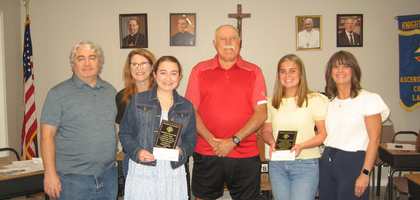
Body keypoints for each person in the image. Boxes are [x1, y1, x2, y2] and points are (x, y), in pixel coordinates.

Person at [185, 24, 267, 200]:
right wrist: (212, 141)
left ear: (240, 42)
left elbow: (261, 113)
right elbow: (191, 111)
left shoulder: (254, 71)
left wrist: (233, 140)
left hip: (245, 153)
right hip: (207, 152)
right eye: (223, 38)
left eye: (233, 38)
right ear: (215, 43)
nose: (228, 42)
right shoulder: (199, 70)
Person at [40, 41, 118, 199]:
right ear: (73, 64)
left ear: (99, 62)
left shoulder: (111, 91)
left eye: (92, 58)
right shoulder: (57, 93)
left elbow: (115, 127)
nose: (87, 63)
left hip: (108, 176)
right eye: (81, 58)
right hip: (72, 179)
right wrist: (49, 173)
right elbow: (46, 135)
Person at [118, 56, 197, 200]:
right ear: (154, 74)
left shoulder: (187, 106)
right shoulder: (138, 100)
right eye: (163, 72)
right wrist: (137, 151)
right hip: (143, 169)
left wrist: (182, 150)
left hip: (172, 172)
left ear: (179, 76)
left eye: (173, 73)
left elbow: (191, 139)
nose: (168, 78)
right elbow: (125, 133)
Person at [319, 51, 390, 200]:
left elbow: (375, 139)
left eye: (345, 66)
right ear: (330, 72)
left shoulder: (367, 99)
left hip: (353, 163)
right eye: (336, 66)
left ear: (354, 71)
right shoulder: (329, 102)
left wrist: (365, 173)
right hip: (328, 162)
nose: (340, 71)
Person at [261, 54, 329, 200]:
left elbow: (323, 134)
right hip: (278, 165)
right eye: (282, 71)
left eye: (292, 70)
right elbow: (266, 131)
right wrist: (272, 143)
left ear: (301, 74)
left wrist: (301, 146)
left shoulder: (315, 100)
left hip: (305, 165)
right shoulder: (271, 102)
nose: (287, 75)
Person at [115, 49, 157, 180]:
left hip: (159, 158)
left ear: (151, 68)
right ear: (129, 68)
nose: (139, 68)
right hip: (133, 158)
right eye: (135, 64)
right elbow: (119, 128)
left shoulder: (163, 94)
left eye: (144, 64)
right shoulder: (122, 97)